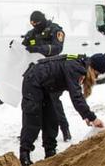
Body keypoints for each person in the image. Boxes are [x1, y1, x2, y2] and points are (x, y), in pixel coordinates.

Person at [19, 53, 105, 166]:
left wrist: (86, 116)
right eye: (96, 74)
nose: (95, 78)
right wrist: (92, 117)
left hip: (47, 87)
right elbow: (76, 97)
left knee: (52, 119)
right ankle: (24, 155)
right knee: (33, 118)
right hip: (34, 81)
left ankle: (50, 152)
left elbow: (77, 95)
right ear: (93, 68)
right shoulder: (76, 67)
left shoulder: (80, 66)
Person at [22, 10, 71, 141]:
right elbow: (23, 47)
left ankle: (65, 129)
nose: (35, 26)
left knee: (54, 102)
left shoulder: (55, 30)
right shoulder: (32, 34)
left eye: (37, 23)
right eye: (32, 24)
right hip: (37, 73)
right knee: (32, 103)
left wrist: (39, 49)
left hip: (53, 72)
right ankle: (29, 132)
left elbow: (57, 48)